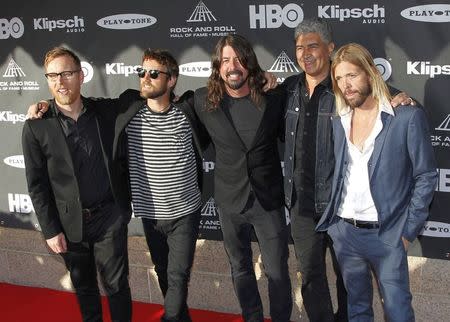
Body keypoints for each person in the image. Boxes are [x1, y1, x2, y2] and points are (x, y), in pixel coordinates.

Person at [281, 18, 414, 322]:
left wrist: (403, 97)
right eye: (299, 47)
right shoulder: (289, 89)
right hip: (301, 206)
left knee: (349, 283)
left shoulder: (346, 88)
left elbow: (382, 96)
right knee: (312, 278)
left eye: (312, 45)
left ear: (329, 48)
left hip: (338, 207)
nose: (305, 53)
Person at [316, 43, 437, 322]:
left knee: (398, 313)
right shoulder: (339, 119)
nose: (346, 85)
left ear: (371, 73)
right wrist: (335, 227)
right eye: (339, 79)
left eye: (352, 76)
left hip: (388, 235)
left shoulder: (405, 117)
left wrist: (406, 233)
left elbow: (426, 176)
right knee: (357, 310)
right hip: (345, 233)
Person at [22, 47, 132, 322]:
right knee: (85, 289)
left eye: (67, 73)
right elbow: (37, 184)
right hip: (70, 224)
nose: (60, 81)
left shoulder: (103, 111)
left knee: (117, 286)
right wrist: (50, 229)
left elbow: (134, 97)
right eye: (52, 75)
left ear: (81, 76)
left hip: (109, 217)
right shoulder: (37, 126)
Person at [193, 34, 292, 322]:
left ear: (248, 63)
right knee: (240, 268)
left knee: (277, 271)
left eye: (238, 59)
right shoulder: (202, 100)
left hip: (267, 201)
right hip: (228, 200)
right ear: (218, 66)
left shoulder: (274, 97)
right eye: (225, 60)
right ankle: (253, 317)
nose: (232, 66)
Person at [113, 49, 208, 322]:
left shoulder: (187, 112)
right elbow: (88, 105)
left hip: (184, 212)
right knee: (165, 273)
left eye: (154, 73)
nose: (146, 77)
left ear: (172, 80)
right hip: (150, 215)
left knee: (178, 277)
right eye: (141, 72)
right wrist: (46, 106)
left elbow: (224, 96)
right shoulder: (129, 113)